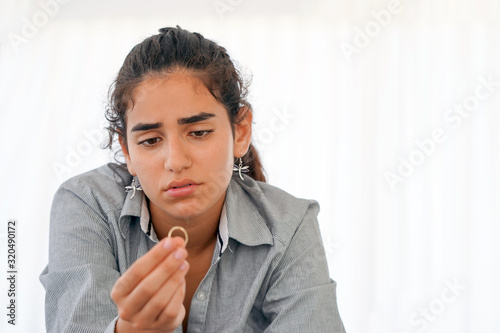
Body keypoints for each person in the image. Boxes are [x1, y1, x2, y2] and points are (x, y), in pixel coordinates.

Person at [40, 26, 345, 333]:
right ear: (127, 151)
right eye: (150, 140)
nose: (176, 161)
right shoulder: (86, 203)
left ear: (240, 132)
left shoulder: (289, 224)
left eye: (199, 133)